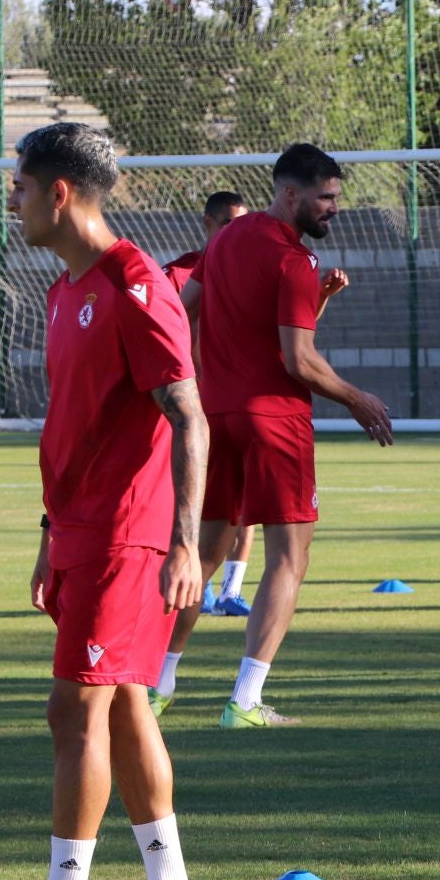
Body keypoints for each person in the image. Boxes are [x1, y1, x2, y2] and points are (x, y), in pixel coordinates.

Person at [0, 123, 208, 880]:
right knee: (127, 706)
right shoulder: (66, 292)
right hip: (78, 534)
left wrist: (185, 544)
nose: (13, 199)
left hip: (128, 539)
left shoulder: (136, 284)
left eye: (20, 186)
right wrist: (46, 533)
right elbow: (75, 430)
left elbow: (189, 416)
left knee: (73, 712)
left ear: (59, 192)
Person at [160, 143, 393, 728]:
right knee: (289, 557)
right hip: (274, 424)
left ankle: (155, 683)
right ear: (291, 193)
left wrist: (184, 382)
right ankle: (244, 701)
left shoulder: (225, 241)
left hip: (216, 418)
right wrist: (358, 399)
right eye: (326, 197)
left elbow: (184, 308)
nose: (334, 208)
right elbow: (298, 361)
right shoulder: (295, 261)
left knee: (203, 556)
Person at [160, 191, 257, 618]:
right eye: (229, 225)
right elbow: (165, 331)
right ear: (208, 224)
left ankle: (230, 592)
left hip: (233, 401)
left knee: (244, 503)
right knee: (188, 501)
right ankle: (187, 585)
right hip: (189, 407)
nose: (237, 234)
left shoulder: (250, 270)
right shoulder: (179, 274)